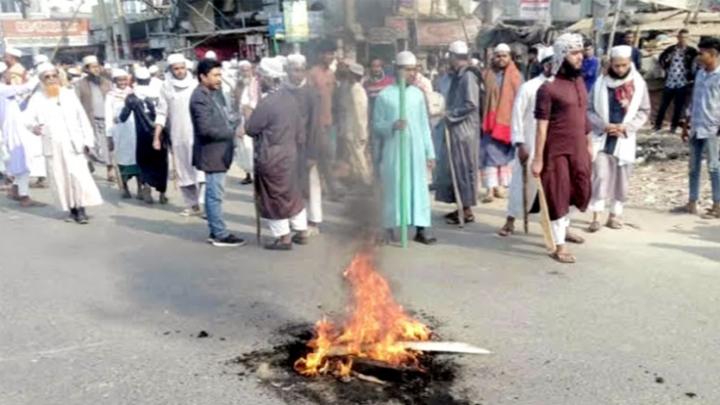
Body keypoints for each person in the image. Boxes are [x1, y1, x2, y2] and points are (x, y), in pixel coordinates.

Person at [531, 33, 593, 264]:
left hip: (579, 149)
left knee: (582, 190)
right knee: (557, 194)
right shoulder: (547, 89)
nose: (580, 57)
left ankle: (564, 227)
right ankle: (559, 245)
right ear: (561, 55)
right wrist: (538, 159)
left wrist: (588, 143)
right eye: (574, 53)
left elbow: (582, 113)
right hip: (556, 151)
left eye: (580, 52)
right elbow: (541, 127)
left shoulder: (579, 82)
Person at [25, 63, 103, 224]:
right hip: (53, 145)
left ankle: (81, 209)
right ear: (41, 80)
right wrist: (35, 128)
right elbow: (27, 120)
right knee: (61, 178)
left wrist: (88, 140)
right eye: (47, 77)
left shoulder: (69, 94)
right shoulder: (37, 98)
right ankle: (71, 209)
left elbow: (82, 118)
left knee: (78, 176)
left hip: (73, 144)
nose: (52, 79)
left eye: (54, 76)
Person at [373, 51, 437, 245]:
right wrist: (392, 125)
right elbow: (376, 125)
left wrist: (430, 152)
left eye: (414, 70)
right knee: (395, 188)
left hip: (416, 151)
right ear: (398, 70)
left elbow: (424, 125)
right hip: (395, 151)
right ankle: (390, 227)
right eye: (408, 70)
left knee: (418, 188)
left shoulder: (418, 95)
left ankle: (421, 228)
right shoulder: (384, 96)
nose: (413, 74)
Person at [246, 57, 308, 250]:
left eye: (261, 77)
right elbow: (300, 131)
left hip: (272, 155)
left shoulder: (268, 103)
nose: (260, 81)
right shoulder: (290, 98)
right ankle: (301, 230)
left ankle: (284, 238)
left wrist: (248, 114)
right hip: (290, 153)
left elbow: (251, 128)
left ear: (268, 78)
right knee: (292, 192)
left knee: (274, 196)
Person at [587, 45, 651, 232]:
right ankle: (596, 215)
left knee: (622, 178)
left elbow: (644, 111)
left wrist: (627, 128)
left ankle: (615, 214)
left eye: (624, 65)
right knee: (600, 175)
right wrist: (602, 125)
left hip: (624, 138)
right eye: (616, 66)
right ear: (611, 64)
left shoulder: (638, 85)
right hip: (602, 136)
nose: (620, 70)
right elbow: (588, 109)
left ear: (630, 63)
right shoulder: (600, 83)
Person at [498, 46, 554, 237]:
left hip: (553, 146)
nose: (553, 67)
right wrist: (520, 143)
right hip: (529, 143)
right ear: (543, 65)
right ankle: (510, 221)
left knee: (555, 188)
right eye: (550, 63)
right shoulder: (529, 87)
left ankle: (560, 230)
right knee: (521, 185)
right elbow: (517, 117)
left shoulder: (563, 88)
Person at [190, 58, 245, 247]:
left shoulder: (213, 93)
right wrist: (231, 132)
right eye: (215, 75)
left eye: (220, 74)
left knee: (214, 193)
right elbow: (205, 129)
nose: (219, 79)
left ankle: (216, 230)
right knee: (214, 194)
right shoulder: (199, 97)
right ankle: (219, 234)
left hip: (219, 152)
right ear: (202, 77)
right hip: (211, 153)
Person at [435, 40, 481, 224]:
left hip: (465, 130)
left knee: (463, 169)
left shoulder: (468, 76)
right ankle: (460, 206)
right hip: (456, 128)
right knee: (453, 168)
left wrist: (450, 115)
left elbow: (471, 104)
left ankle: (467, 210)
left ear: (454, 57)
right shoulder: (457, 75)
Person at [673, 38, 720, 218]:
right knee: (693, 167)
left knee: (714, 167)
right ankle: (692, 202)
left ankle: (717, 205)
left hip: (713, 127)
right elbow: (694, 99)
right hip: (696, 126)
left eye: (702, 53)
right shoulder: (700, 73)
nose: (699, 56)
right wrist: (686, 123)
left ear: (714, 54)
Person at [155, 53, 205, 217]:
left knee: (201, 171)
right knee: (184, 172)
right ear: (170, 69)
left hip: (198, 134)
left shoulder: (196, 83)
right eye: (176, 68)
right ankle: (192, 205)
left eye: (182, 67)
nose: (180, 71)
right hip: (177, 136)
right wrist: (157, 136)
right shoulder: (165, 87)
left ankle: (205, 204)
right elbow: (162, 113)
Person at [284, 54, 324, 237]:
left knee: (311, 184)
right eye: (294, 70)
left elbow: (315, 124)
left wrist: (312, 153)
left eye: (300, 70)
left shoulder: (311, 93)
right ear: (287, 71)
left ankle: (314, 220)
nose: (297, 74)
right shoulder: (283, 91)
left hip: (308, 145)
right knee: (293, 184)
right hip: (288, 146)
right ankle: (297, 220)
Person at [480, 43, 522, 203]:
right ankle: (490, 189)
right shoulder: (486, 74)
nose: (501, 59)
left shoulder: (517, 76)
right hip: (489, 121)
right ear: (494, 57)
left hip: (508, 121)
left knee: (505, 155)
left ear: (510, 57)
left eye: (504, 56)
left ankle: (501, 186)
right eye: (498, 56)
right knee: (489, 154)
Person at [120, 67, 169, 205]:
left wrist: (116, 119)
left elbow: (123, 117)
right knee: (161, 164)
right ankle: (162, 194)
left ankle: (146, 186)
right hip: (160, 134)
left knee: (145, 163)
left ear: (136, 80)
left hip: (142, 136)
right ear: (149, 79)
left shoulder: (132, 97)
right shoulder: (158, 93)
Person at [0, 70, 43, 207]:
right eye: (7, 73)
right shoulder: (3, 89)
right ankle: (24, 196)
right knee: (23, 161)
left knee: (21, 160)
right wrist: (39, 74)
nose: (10, 75)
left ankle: (16, 190)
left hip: (16, 128)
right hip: (12, 131)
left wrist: (27, 99)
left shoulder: (6, 91)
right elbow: (27, 87)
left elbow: (19, 107)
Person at [308, 40, 342, 200]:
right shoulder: (313, 74)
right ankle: (328, 189)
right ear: (320, 55)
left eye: (332, 53)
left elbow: (334, 99)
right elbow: (308, 101)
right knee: (322, 156)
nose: (330, 56)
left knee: (328, 156)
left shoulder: (331, 74)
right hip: (317, 124)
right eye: (328, 53)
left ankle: (325, 187)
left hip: (330, 123)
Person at [75, 55, 113, 181]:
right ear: (86, 69)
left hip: (106, 120)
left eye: (97, 66)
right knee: (90, 144)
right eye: (92, 67)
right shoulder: (80, 85)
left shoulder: (107, 83)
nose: (96, 70)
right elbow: (76, 104)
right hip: (89, 120)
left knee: (107, 145)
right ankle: (89, 163)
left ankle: (110, 170)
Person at [104, 68, 141, 199]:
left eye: (124, 79)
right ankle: (124, 187)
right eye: (120, 80)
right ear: (115, 81)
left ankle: (140, 187)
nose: (122, 82)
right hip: (119, 133)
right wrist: (109, 136)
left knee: (137, 159)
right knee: (122, 159)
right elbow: (108, 116)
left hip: (134, 132)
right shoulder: (110, 96)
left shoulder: (134, 93)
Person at [654, 29, 698, 135]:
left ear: (688, 38)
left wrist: (691, 76)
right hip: (670, 81)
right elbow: (661, 59)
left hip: (682, 82)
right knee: (664, 105)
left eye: (685, 37)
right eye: (681, 37)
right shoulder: (671, 49)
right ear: (678, 38)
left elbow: (697, 63)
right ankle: (657, 125)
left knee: (678, 106)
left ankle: (673, 127)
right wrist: (665, 68)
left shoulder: (691, 51)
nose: (683, 39)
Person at [337, 62, 372, 186]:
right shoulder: (349, 88)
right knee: (353, 158)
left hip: (356, 132)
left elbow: (360, 114)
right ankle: (358, 182)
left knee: (359, 158)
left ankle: (366, 182)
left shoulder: (357, 90)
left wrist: (362, 133)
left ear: (354, 75)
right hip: (350, 130)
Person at [236, 60, 259, 185]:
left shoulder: (256, 83)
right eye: (243, 70)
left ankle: (256, 175)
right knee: (243, 148)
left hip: (253, 120)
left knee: (251, 148)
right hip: (242, 119)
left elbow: (254, 103)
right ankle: (248, 174)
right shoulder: (240, 84)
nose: (245, 72)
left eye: (247, 70)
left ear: (251, 70)